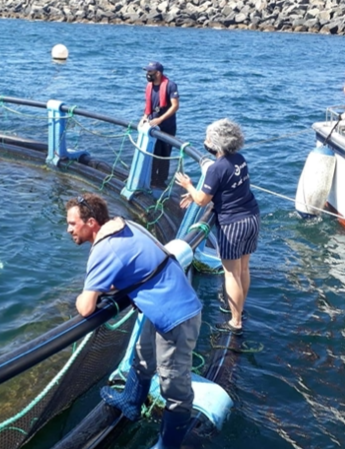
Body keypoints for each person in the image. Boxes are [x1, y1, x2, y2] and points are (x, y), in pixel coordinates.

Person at [65, 193, 201, 449]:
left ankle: (167, 445)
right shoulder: (125, 225)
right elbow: (130, 270)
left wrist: (80, 297)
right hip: (164, 306)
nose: (68, 228)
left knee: (175, 390)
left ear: (91, 222)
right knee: (142, 357)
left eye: (73, 223)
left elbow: (85, 307)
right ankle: (130, 402)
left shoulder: (105, 248)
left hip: (175, 319)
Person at [174, 119, 260, 335]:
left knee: (231, 274)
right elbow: (226, 190)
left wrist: (188, 186)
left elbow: (203, 200)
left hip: (233, 224)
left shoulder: (216, 168)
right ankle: (240, 308)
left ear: (217, 143)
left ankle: (235, 321)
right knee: (243, 268)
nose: (205, 142)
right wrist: (195, 196)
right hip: (251, 216)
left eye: (208, 138)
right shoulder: (239, 159)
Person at [141, 61, 179, 188]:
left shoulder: (171, 86)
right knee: (153, 153)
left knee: (164, 154)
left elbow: (175, 106)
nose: (147, 74)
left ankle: (161, 181)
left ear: (158, 73)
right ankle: (151, 180)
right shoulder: (149, 86)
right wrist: (145, 117)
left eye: (150, 72)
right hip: (152, 125)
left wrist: (160, 119)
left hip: (167, 127)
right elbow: (149, 104)